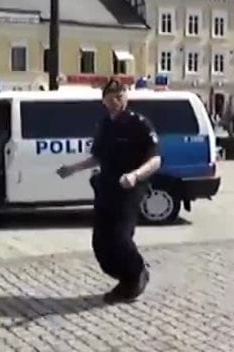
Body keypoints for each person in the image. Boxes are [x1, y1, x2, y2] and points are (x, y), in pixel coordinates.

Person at [56, 79, 162, 304]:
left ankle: (136, 274)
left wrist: (135, 175)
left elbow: (156, 159)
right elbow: (97, 157)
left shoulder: (139, 124)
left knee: (120, 237)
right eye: (111, 97)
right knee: (101, 243)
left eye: (120, 96)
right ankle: (126, 279)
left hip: (130, 188)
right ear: (103, 100)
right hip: (106, 186)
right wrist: (72, 169)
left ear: (126, 97)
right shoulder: (105, 125)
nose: (116, 101)